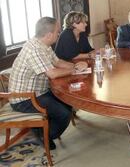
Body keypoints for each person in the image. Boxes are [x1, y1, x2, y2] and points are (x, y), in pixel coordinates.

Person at [9, 17, 88, 150]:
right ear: (49, 35)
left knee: (68, 102)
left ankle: (43, 129)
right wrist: (74, 70)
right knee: (63, 114)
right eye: (57, 32)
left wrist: (77, 66)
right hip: (24, 98)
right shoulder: (34, 49)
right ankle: (44, 135)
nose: (59, 33)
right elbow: (52, 73)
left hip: (40, 92)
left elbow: (57, 62)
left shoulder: (43, 45)